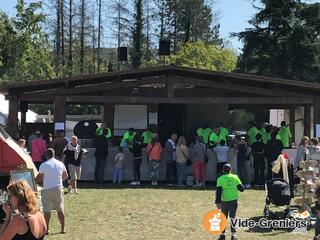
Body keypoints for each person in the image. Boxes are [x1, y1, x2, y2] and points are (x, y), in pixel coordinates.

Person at [36, 148, 68, 235]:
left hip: (47, 188)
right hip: (58, 188)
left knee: (47, 210)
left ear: (46, 155)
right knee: (60, 209)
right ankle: (63, 228)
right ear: (54, 154)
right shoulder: (60, 163)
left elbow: (39, 178)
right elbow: (65, 176)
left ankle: (47, 229)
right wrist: (57, 180)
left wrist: (34, 180)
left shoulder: (43, 165)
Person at [215, 164, 244, 240]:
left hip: (224, 200)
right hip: (234, 200)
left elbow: (218, 192)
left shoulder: (220, 179)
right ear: (231, 170)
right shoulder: (235, 177)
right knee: (232, 217)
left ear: (223, 170)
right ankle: (233, 235)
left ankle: (222, 235)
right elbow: (241, 189)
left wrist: (217, 202)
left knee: (223, 217)